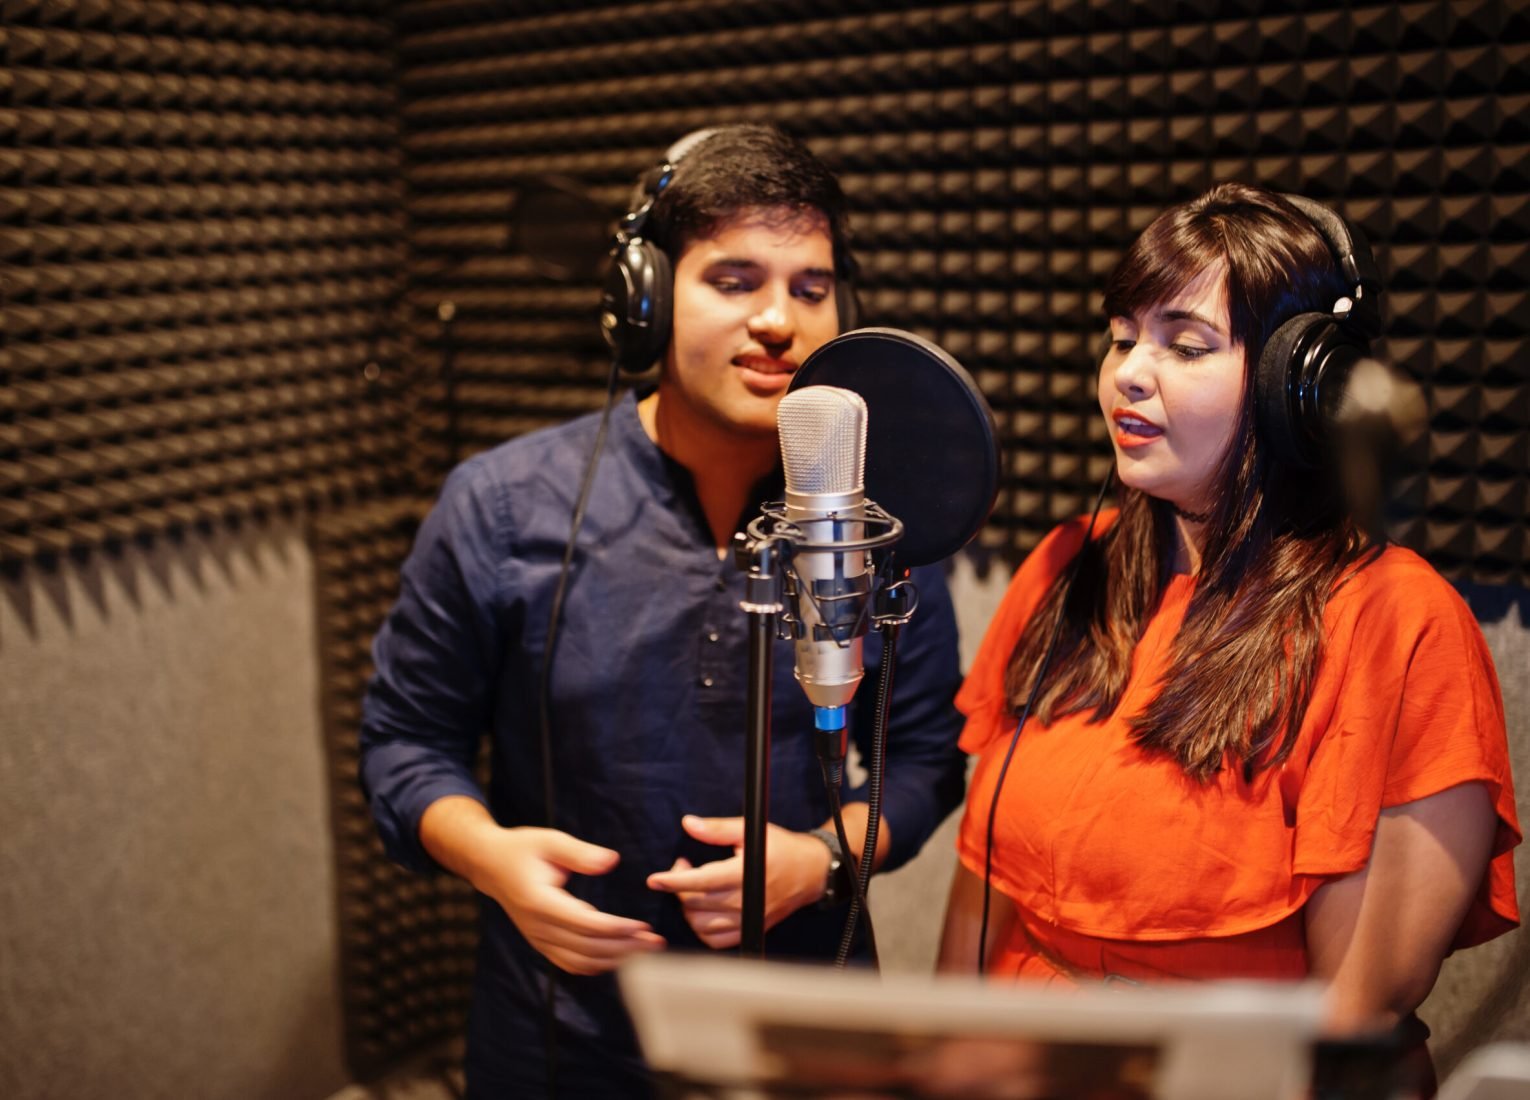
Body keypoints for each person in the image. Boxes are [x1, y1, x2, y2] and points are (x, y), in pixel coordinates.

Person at [360, 124, 966, 1098]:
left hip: (808, 1031)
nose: (780, 320)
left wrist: (822, 856)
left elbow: (930, 756)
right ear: (640, 302)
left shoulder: (878, 513)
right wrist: (494, 859)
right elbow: (402, 739)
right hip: (564, 1037)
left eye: (810, 288)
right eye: (734, 280)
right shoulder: (498, 504)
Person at [937, 183, 1519, 1087]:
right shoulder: (1066, 570)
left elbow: (1358, 1004)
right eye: (1124, 336)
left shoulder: (1398, 625)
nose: (1129, 371)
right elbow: (978, 907)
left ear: (1304, 385)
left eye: (1186, 344)